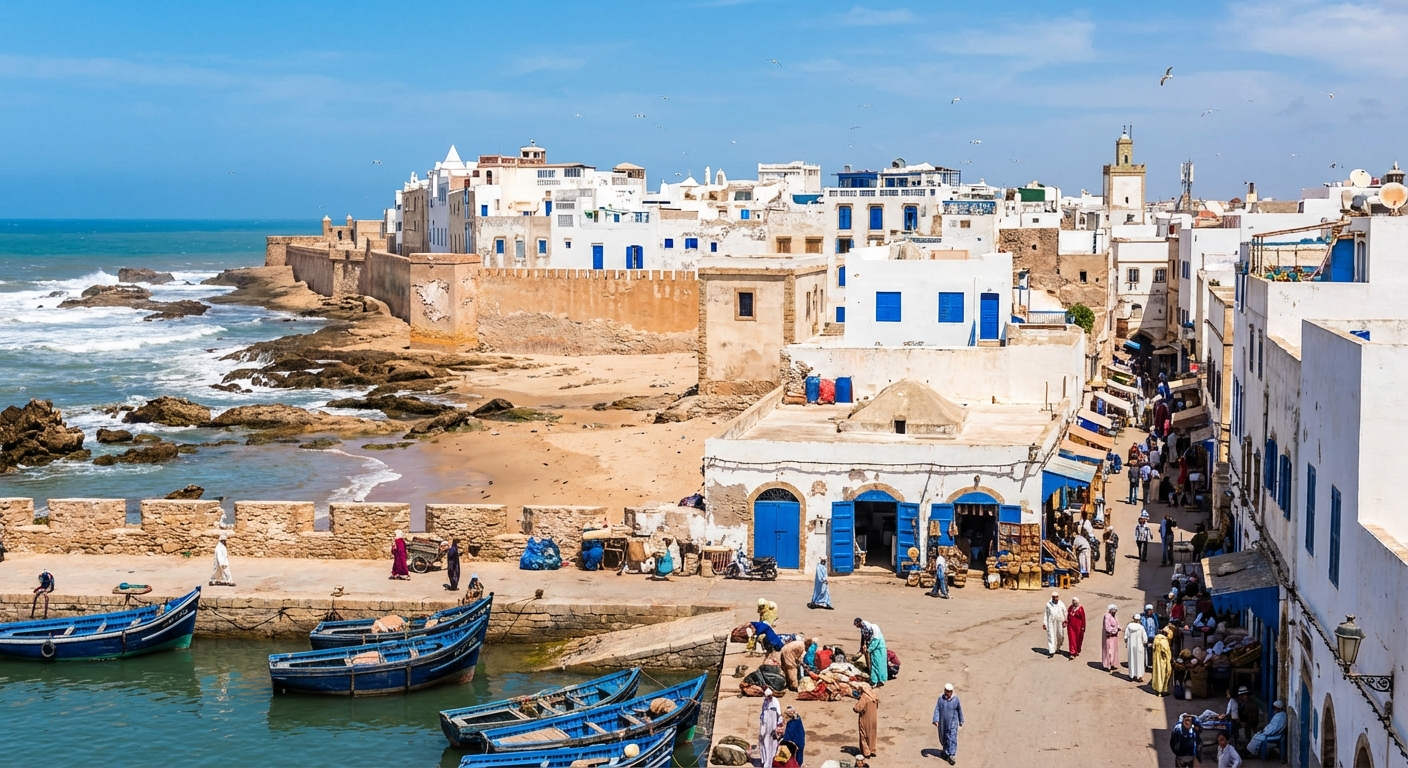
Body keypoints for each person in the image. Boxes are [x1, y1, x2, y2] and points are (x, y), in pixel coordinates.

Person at [932, 683, 963, 766]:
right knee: (944, 737)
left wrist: (961, 720)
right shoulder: (940, 699)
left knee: (952, 738)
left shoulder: (956, 700)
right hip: (943, 723)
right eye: (946, 691)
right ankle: (946, 752)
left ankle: (952, 755)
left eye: (949, 692)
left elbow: (959, 710)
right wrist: (936, 720)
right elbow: (937, 709)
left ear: (952, 692)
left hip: (952, 723)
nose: (947, 693)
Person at [854, 618, 888, 686]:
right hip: (873, 649)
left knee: (880, 664)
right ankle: (874, 680)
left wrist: (869, 649)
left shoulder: (874, 627)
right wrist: (862, 647)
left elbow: (876, 640)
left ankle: (881, 680)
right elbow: (863, 637)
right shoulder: (863, 629)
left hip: (879, 648)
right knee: (873, 664)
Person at [853, 683, 879, 759]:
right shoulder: (874, 695)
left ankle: (866, 752)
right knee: (872, 734)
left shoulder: (864, 697)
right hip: (874, 718)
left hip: (865, 718)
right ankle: (873, 750)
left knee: (864, 734)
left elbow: (857, 708)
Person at [759, 688, 783, 768]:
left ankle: (771, 762)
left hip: (773, 726)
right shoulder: (765, 701)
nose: (768, 698)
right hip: (765, 726)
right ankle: (765, 761)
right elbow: (762, 713)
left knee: (773, 745)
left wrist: (778, 725)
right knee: (764, 743)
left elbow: (779, 714)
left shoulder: (775, 701)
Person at [1042, 592, 1068, 657]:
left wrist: (1065, 621)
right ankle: (1051, 651)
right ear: (1052, 598)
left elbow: (1065, 612)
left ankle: (1058, 648)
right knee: (1051, 636)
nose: (1056, 599)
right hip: (1051, 622)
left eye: (1057, 597)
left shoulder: (1061, 604)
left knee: (1060, 635)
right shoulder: (1048, 604)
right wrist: (1045, 623)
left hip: (1059, 622)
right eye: (1054, 597)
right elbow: (1046, 614)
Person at [1125, 614, 1149, 683]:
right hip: (1139, 646)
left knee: (1131, 659)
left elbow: (1126, 637)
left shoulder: (1129, 626)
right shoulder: (1141, 627)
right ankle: (1139, 676)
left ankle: (1132, 675)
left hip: (1131, 646)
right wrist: (1145, 643)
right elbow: (1145, 639)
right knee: (1139, 660)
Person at [1152, 626, 1173, 696]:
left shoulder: (1156, 639)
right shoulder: (1164, 641)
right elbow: (1166, 652)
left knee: (1157, 674)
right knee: (1163, 675)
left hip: (1156, 661)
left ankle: (1157, 689)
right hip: (1162, 662)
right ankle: (1162, 691)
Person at [1102, 605, 1121, 672]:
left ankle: (1112, 664)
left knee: (1113, 650)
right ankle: (1107, 665)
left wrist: (1118, 628)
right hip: (1109, 637)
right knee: (1108, 650)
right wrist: (1115, 630)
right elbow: (1107, 628)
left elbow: (1117, 623)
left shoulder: (1114, 616)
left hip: (1114, 637)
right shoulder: (1107, 616)